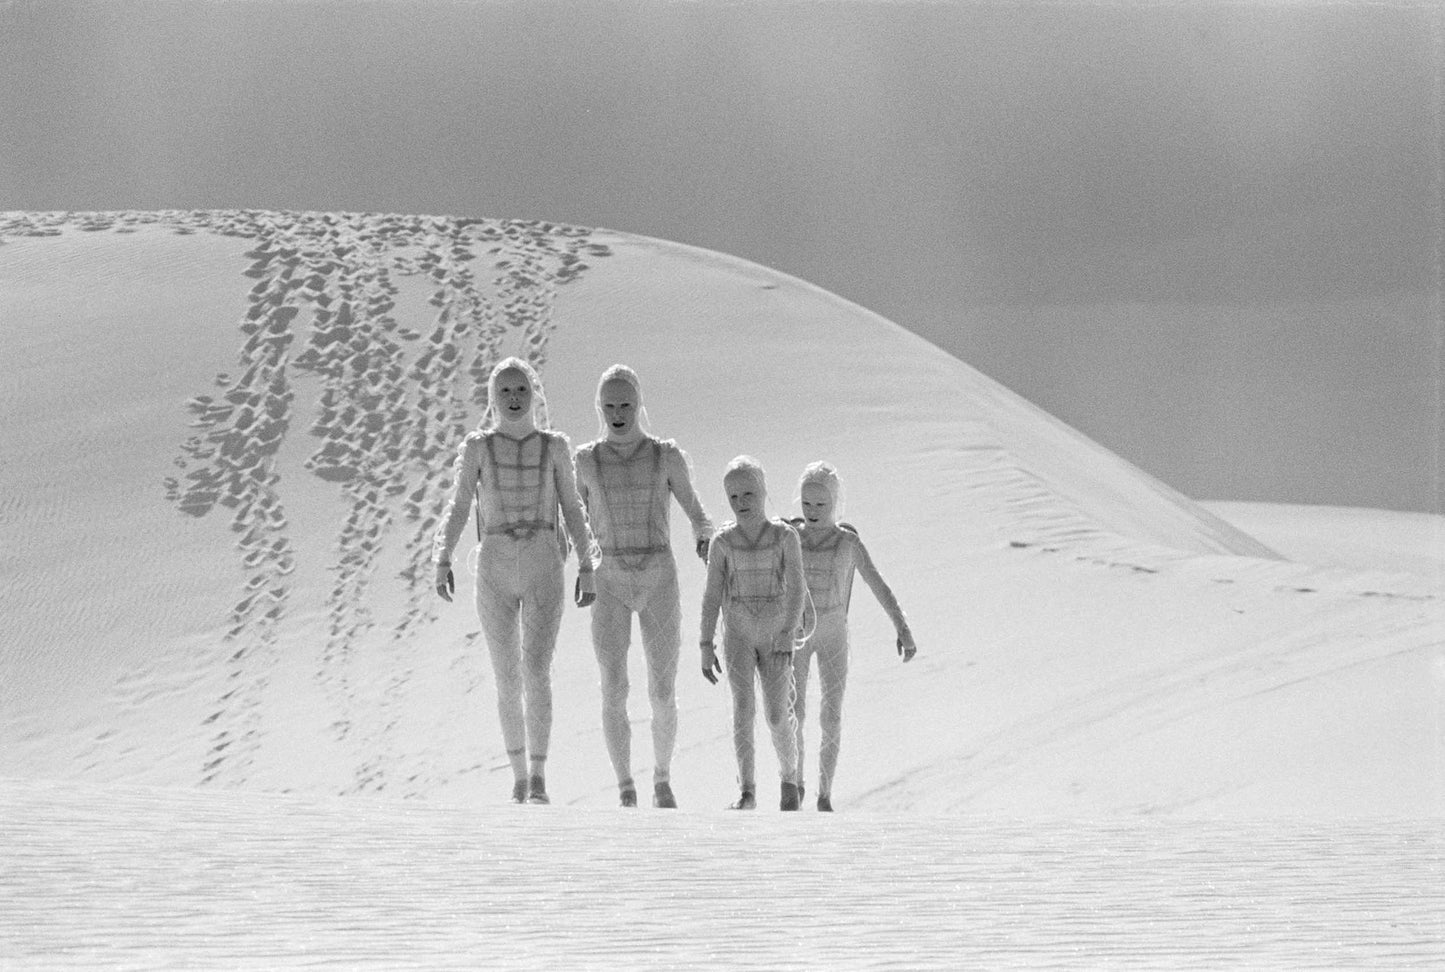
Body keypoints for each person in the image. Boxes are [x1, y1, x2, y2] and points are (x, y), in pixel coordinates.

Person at [434, 356, 598, 806]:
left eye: (520, 389)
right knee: (506, 676)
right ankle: (519, 776)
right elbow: (460, 505)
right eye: (504, 391)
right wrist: (442, 556)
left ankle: (541, 775)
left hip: (546, 560)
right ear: (492, 397)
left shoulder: (555, 447)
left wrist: (587, 564)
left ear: (534, 394)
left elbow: (573, 507)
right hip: (494, 567)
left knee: (536, 671)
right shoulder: (478, 448)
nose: (513, 399)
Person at [574, 365, 713, 809]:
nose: (618, 414)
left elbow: (697, 511)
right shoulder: (584, 460)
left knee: (662, 689)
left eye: (626, 405)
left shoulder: (665, 456)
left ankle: (662, 779)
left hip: (658, 577)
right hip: (609, 577)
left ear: (639, 405)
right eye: (610, 406)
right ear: (600, 407)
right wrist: (576, 564)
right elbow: (572, 521)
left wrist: (706, 539)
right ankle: (625, 788)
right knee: (614, 687)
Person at [788, 461, 916, 812]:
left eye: (821, 505)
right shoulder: (790, 538)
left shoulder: (848, 543)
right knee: (793, 712)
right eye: (807, 504)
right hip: (798, 634)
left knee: (831, 714)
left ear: (834, 504)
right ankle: (794, 784)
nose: (812, 512)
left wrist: (901, 627)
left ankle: (824, 794)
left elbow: (878, 585)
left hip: (833, 634)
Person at [699, 456, 807, 811]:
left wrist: (789, 632)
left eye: (748, 493)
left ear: (762, 491)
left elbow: (797, 589)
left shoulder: (784, 536)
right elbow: (712, 594)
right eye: (733, 496)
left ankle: (790, 780)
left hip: (777, 636)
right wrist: (705, 644)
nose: (742, 502)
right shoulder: (722, 542)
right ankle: (747, 791)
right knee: (743, 710)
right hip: (738, 637)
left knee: (777, 714)